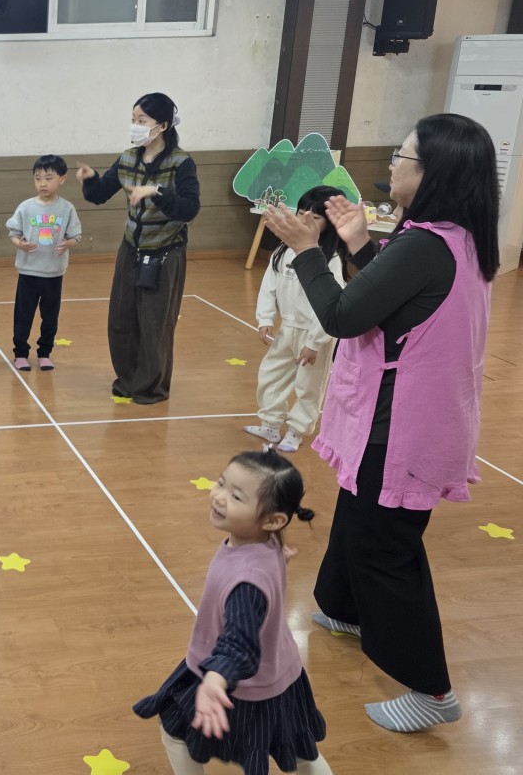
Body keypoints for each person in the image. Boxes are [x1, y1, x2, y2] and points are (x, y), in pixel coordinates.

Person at [263, 113, 499, 732]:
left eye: (403, 155)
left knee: (384, 548)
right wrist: (360, 245)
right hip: (415, 415)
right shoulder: (455, 238)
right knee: (359, 513)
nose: (392, 163)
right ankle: (343, 608)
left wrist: (307, 251)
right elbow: (393, 306)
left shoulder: (425, 245)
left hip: (402, 425)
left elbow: (344, 316)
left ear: (433, 172)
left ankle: (431, 690)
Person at [134, 450, 332, 775]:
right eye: (221, 483)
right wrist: (278, 560)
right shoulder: (267, 542)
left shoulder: (246, 582)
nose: (219, 496)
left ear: (273, 520)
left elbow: (239, 643)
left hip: (234, 683)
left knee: (175, 733)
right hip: (281, 670)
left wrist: (215, 679)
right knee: (298, 748)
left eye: (236, 496)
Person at [77, 93, 200, 404]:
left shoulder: (181, 162)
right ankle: (128, 379)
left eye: (142, 120)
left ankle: (151, 387)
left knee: (155, 322)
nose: (135, 126)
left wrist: (156, 191)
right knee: (121, 318)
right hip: (131, 247)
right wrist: (90, 180)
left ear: (162, 126)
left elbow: (189, 209)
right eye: (133, 120)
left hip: (165, 250)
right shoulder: (128, 158)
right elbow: (100, 194)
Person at [244, 187, 347, 453]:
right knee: (271, 375)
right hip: (287, 329)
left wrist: (314, 343)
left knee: (308, 385)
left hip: (315, 333)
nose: (304, 220)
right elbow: (269, 286)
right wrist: (265, 318)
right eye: (301, 213)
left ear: (330, 223)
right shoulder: (283, 251)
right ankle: (270, 423)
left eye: (315, 218)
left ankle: (296, 430)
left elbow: (332, 305)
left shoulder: (331, 259)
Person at [7, 154, 82, 371]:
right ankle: (20, 353)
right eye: (38, 178)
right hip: (28, 272)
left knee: (50, 317)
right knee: (23, 316)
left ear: (62, 179)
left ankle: (44, 353)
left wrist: (67, 244)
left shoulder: (67, 209)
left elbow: (75, 237)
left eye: (48, 178)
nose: (43, 183)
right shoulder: (26, 207)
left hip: (53, 273)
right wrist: (20, 244)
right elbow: (13, 233)